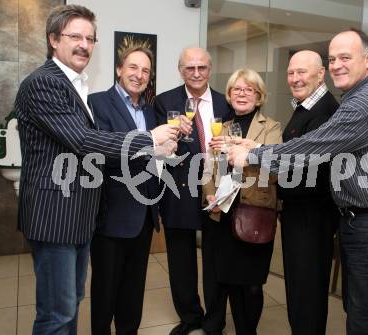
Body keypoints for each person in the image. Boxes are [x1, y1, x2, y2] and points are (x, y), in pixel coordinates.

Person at [228, 29, 368, 335]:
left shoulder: (364, 104)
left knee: (364, 319)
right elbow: (312, 143)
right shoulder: (357, 98)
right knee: (357, 311)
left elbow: (311, 148)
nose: (338, 64)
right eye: (333, 58)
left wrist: (253, 156)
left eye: (346, 57)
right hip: (366, 220)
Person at [14, 5, 177, 335]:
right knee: (56, 315)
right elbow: (85, 141)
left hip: (76, 217)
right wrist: (149, 139)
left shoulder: (75, 85)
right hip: (54, 217)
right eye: (75, 36)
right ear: (53, 39)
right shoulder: (44, 83)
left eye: (90, 38)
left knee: (70, 304)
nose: (84, 45)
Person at [154, 47, 233, 335]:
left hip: (218, 189)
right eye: (190, 68)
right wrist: (173, 135)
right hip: (179, 190)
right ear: (180, 70)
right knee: (181, 260)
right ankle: (190, 317)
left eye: (202, 67)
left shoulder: (226, 103)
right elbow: (158, 152)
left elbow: (235, 146)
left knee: (215, 259)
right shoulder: (164, 102)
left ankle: (214, 320)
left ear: (210, 69)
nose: (196, 73)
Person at [203, 68, 282, 335]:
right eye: (237, 89)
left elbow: (274, 171)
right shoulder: (220, 127)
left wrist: (246, 150)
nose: (242, 93)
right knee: (221, 280)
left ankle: (247, 331)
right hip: (222, 214)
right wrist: (210, 193)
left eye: (249, 89)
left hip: (253, 215)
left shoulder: (271, 127)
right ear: (228, 95)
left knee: (249, 285)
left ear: (259, 97)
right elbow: (208, 169)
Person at [88, 43, 160, 334]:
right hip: (111, 215)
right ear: (119, 69)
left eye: (145, 70)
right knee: (105, 292)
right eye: (133, 67)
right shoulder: (97, 103)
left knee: (133, 292)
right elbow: (100, 152)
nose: (139, 75)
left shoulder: (151, 111)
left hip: (143, 216)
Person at [279, 50, 338, 334]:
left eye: (302, 72)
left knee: (308, 295)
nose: (295, 78)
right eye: (291, 72)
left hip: (312, 220)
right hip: (297, 217)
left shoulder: (324, 111)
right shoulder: (304, 107)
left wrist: (262, 160)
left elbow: (306, 170)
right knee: (299, 293)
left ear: (320, 73)